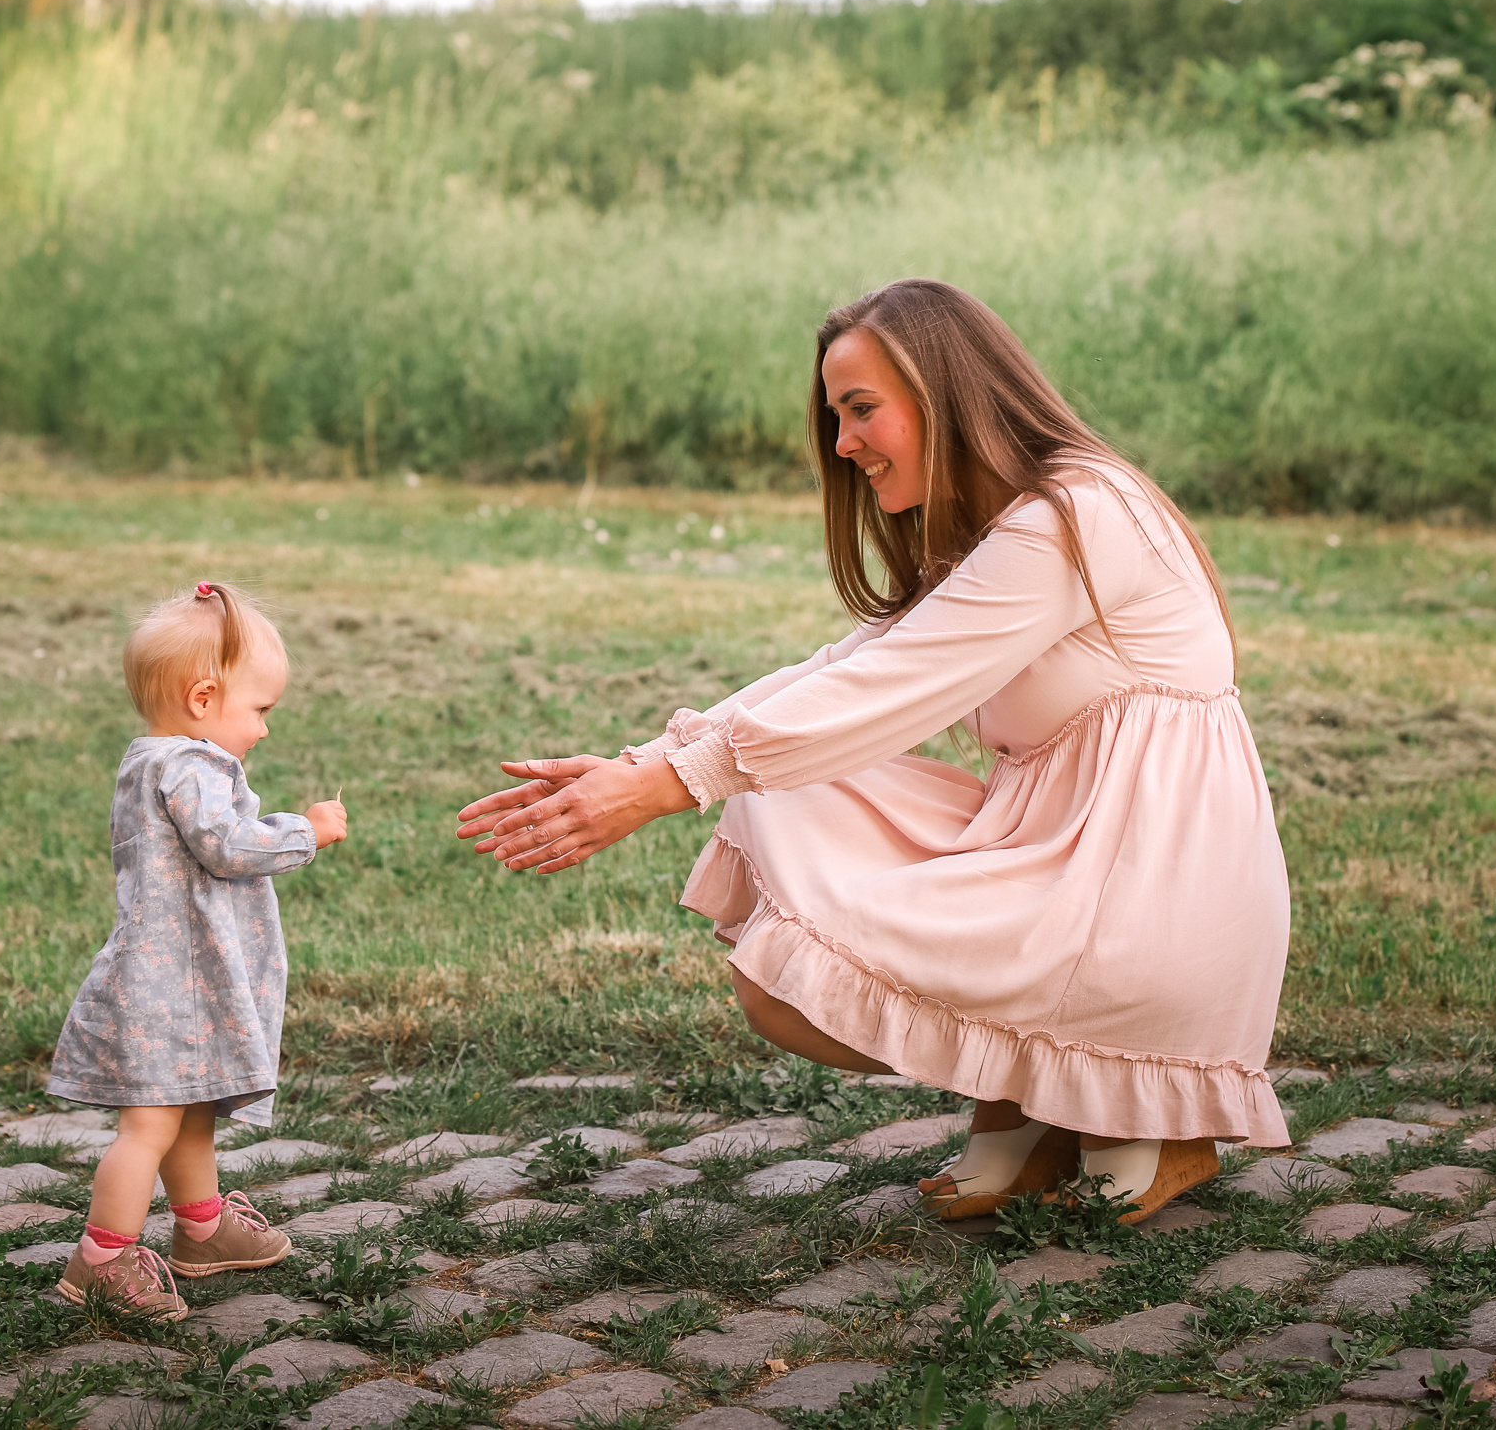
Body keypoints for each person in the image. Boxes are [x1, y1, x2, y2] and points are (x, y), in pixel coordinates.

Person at [457, 279, 1289, 1223]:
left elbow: (883, 691)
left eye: (862, 409)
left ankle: (1156, 1110)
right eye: (835, 415)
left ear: (946, 396)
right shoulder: (995, 528)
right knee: (780, 788)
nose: (844, 443)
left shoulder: (1074, 517)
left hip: (1151, 886)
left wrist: (662, 787)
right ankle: (1034, 1104)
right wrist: (646, 760)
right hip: (1054, 852)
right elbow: (844, 666)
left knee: (776, 775)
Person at [46, 582, 349, 1317]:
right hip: (167, 990)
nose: (265, 730)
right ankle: (102, 1257)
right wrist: (306, 830)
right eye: (260, 710)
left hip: (185, 982)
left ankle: (203, 1227)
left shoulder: (158, 759)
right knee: (150, 1123)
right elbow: (228, 845)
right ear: (203, 697)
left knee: (194, 1110)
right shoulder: (186, 767)